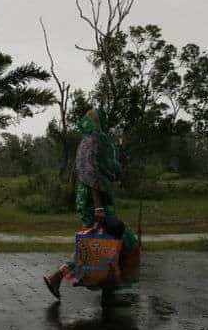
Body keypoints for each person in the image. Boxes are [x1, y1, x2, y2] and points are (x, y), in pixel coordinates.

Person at [43, 108, 141, 303]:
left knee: (101, 242)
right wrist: (98, 207)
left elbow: (101, 169)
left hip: (91, 201)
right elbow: (90, 174)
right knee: (120, 241)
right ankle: (107, 285)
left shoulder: (88, 141)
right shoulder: (95, 140)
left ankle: (106, 288)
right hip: (95, 202)